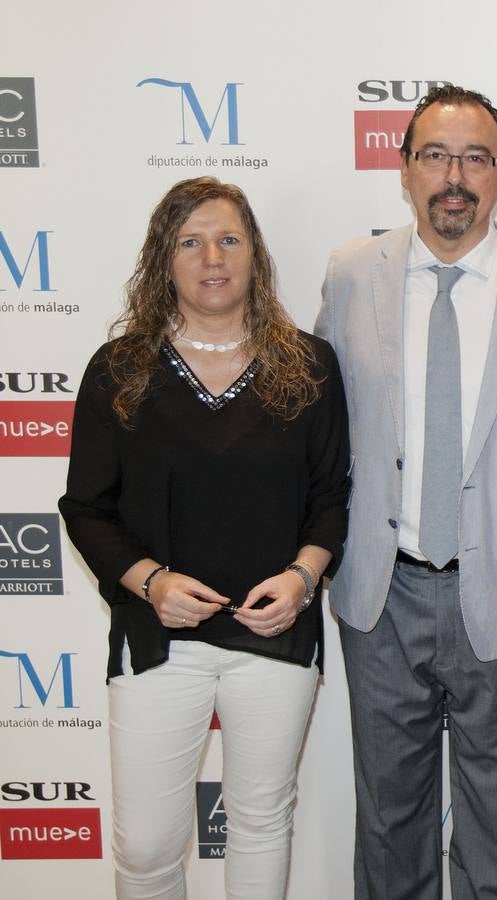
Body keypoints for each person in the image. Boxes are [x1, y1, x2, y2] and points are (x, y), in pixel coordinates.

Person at [315, 83, 497, 900]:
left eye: (475, 158)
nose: (455, 176)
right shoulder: (347, 275)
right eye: (435, 155)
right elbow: (321, 430)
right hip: (380, 593)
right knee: (388, 826)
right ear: (403, 170)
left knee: (496, 829)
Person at [58, 176, 349, 900]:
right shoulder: (119, 370)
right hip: (158, 640)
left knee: (258, 825)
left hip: (275, 634)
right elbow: (87, 508)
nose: (211, 257)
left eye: (228, 239)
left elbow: (332, 495)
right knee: (149, 845)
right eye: (190, 242)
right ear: (165, 260)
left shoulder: (309, 365)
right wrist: (151, 582)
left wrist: (302, 579)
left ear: (255, 254)